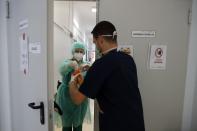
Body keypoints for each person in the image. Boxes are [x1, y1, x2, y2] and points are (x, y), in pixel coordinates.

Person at [69, 21, 145, 131]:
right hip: (135, 122)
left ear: (101, 39)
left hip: (115, 124)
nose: (96, 45)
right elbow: (116, 88)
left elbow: (77, 99)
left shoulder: (100, 65)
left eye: (95, 42)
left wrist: (72, 81)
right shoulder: (128, 59)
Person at [55, 42, 91, 131]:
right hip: (65, 97)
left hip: (80, 95)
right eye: (77, 51)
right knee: (66, 124)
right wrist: (70, 65)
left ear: (84, 53)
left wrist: (89, 70)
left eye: (81, 51)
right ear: (73, 51)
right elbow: (61, 70)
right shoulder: (67, 62)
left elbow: (89, 81)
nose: (79, 53)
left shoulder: (86, 65)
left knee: (78, 124)